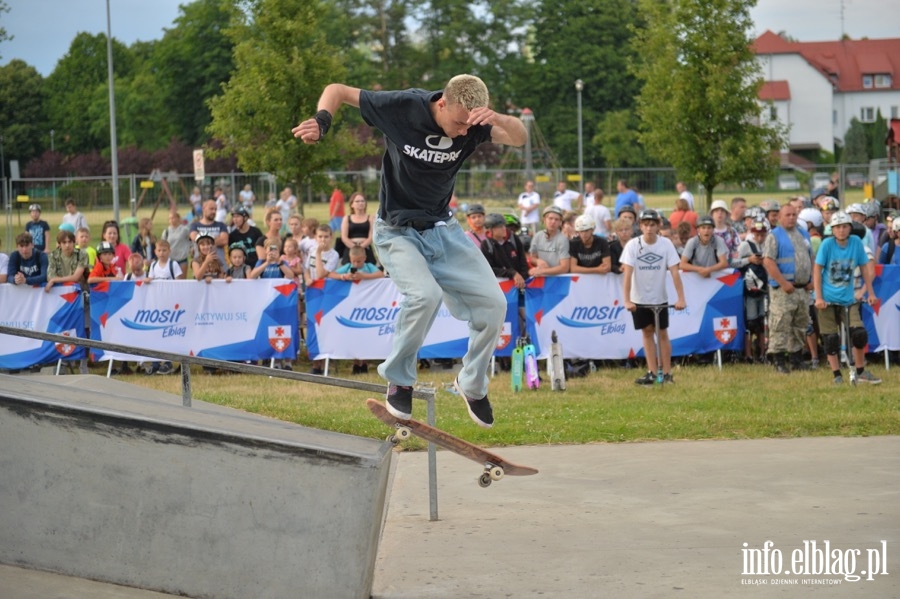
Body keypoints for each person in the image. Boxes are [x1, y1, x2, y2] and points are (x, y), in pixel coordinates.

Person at [292, 73, 526, 427]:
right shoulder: (402, 107)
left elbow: (519, 139)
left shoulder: (475, 124)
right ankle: (399, 378)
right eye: (459, 123)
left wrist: (499, 119)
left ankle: (472, 383)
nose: (464, 132)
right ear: (442, 103)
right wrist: (322, 122)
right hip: (395, 231)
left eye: (469, 125)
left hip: (443, 230)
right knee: (424, 296)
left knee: (495, 303)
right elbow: (337, 91)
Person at [813, 211, 880, 385]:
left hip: (848, 298)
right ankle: (837, 375)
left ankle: (861, 371)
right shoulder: (827, 245)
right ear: (832, 230)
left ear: (850, 228)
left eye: (844, 226)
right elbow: (817, 270)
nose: (841, 230)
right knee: (830, 339)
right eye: (837, 227)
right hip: (827, 298)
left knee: (858, 334)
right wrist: (819, 297)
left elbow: (865, 268)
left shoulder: (856, 243)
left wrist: (870, 293)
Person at [621, 209, 686, 385]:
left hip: (659, 297)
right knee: (647, 332)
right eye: (645, 225)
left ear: (658, 226)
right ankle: (651, 371)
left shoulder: (666, 245)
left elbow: (675, 273)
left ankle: (666, 373)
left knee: (662, 333)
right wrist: (627, 300)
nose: (649, 228)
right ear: (640, 226)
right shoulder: (633, 245)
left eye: (652, 225)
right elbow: (627, 275)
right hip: (639, 298)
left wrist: (681, 298)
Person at [762, 203, 814, 374]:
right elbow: (768, 261)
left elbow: (810, 258)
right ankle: (778, 360)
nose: (791, 218)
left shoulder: (803, 234)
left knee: (800, 324)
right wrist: (783, 282)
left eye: (794, 214)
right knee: (780, 324)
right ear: (779, 217)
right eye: (787, 215)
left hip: (802, 290)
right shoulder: (774, 236)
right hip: (783, 290)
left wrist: (811, 279)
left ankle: (796, 359)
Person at [329, 245, 386, 374]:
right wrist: (344, 276)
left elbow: (380, 274)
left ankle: (364, 363)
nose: (356, 264)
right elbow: (332, 274)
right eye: (354, 261)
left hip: (366, 305)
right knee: (353, 335)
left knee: (365, 335)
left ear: (365, 258)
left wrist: (364, 276)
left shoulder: (368, 267)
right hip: (352, 306)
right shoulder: (348, 268)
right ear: (350, 258)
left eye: (359, 261)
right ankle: (355, 363)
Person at [736, 220, 769, 362]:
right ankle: (748, 354)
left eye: (762, 235)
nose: (760, 238)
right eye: (757, 234)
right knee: (750, 322)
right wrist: (749, 260)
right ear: (752, 233)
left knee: (763, 322)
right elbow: (733, 262)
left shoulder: (769, 245)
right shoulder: (745, 245)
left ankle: (764, 352)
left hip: (765, 289)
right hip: (749, 289)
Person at [528, 205, 571, 277]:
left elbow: (564, 268)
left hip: (558, 279)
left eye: (556, 219)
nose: (553, 222)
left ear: (560, 222)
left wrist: (541, 271)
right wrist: (537, 261)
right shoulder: (538, 236)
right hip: (541, 280)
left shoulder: (563, 239)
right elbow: (532, 257)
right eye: (550, 218)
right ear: (544, 219)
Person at [340, 192, 376, 264]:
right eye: (357, 201)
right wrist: (355, 248)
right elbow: (344, 237)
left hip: (366, 249)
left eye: (362, 201)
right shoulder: (347, 218)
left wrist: (361, 248)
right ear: (352, 204)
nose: (360, 203)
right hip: (350, 250)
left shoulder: (371, 218)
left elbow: (371, 237)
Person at [189, 200, 229, 264]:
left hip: (219, 266)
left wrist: (202, 240)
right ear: (203, 208)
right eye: (211, 209)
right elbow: (194, 238)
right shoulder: (195, 225)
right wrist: (216, 238)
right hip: (200, 266)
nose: (214, 211)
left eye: (215, 209)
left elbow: (224, 240)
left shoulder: (221, 225)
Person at [709, 199, 741, 266]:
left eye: (722, 211)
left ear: (726, 214)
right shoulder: (706, 232)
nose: (719, 213)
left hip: (729, 267)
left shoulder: (732, 232)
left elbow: (738, 249)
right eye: (716, 211)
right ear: (712, 214)